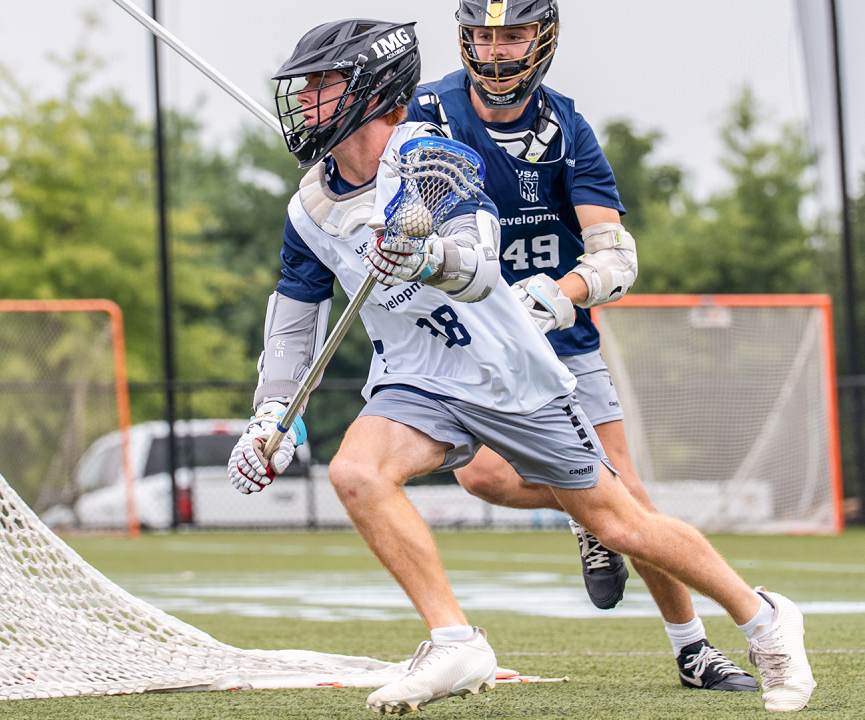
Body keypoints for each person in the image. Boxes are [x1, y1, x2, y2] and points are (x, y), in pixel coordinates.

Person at [230, 17, 815, 714]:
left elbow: (480, 267)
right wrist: (273, 414)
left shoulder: (433, 161)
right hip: (417, 378)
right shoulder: (310, 208)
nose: (305, 99)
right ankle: (455, 641)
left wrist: (425, 256)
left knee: (620, 523)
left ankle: (763, 618)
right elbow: (295, 322)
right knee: (356, 473)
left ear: (371, 90)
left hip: (508, 371)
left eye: (322, 84)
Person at [404, 0, 768, 695]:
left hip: (559, 336)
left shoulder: (567, 127)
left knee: (627, 493)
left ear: (541, 39)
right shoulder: (428, 112)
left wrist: (552, 295)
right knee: (481, 478)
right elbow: (381, 194)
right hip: (467, 337)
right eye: (483, 36)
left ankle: (693, 648)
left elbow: (615, 258)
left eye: (512, 35)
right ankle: (588, 515)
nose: (496, 51)